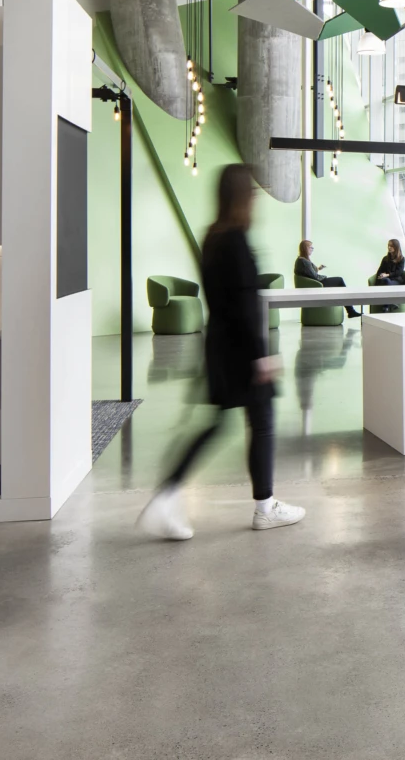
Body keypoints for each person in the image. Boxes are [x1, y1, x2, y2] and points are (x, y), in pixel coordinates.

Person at [138, 165, 305, 539]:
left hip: (221, 346)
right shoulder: (237, 240)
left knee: (224, 422)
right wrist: (261, 356)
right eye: (254, 192)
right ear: (243, 195)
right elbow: (245, 306)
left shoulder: (212, 237)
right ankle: (261, 506)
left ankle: (172, 494)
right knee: (259, 421)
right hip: (240, 350)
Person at [295, 238, 359, 318]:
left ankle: (350, 310)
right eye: (310, 247)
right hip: (318, 285)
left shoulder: (302, 260)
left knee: (338, 283)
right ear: (305, 248)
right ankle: (351, 311)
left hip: (315, 284)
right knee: (340, 281)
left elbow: (309, 273)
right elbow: (315, 277)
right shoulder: (304, 261)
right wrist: (324, 276)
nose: (312, 249)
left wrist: (318, 268)